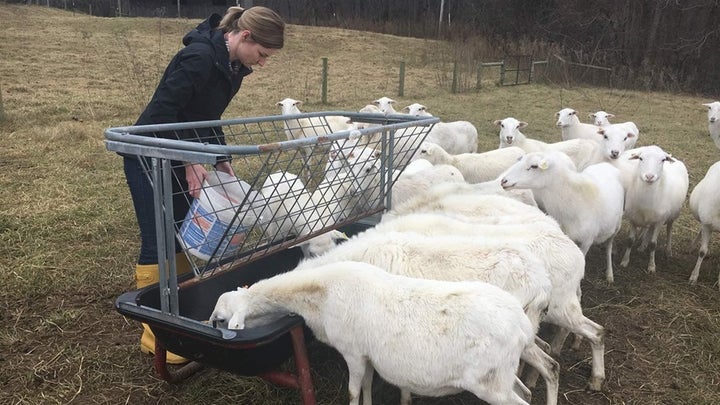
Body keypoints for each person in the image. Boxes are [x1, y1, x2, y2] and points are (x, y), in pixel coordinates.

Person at [122, 6, 285, 364]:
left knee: (179, 234)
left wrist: (220, 157)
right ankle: (155, 332)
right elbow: (162, 114)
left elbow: (205, 116)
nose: (262, 63)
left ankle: (177, 315)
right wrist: (190, 159)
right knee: (158, 240)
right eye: (262, 54)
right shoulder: (197, 57)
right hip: (147, 157)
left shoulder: (233, 68)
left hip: (177, 155)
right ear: (245, 37)